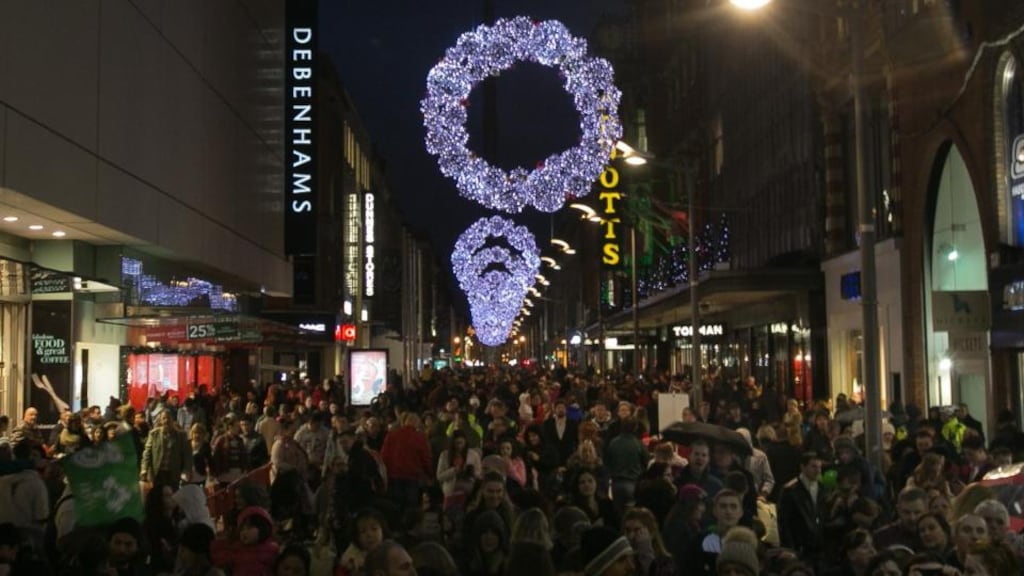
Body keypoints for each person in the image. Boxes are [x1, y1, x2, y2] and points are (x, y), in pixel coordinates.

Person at [778, 452, 827, 568]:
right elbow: (784, 522)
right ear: (802, 467)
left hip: (818, 545)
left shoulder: (822, 487)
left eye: (820, 467)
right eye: (813, 466)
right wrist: (790, 547)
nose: (818, 470)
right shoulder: (790, 490)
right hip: (799, 544)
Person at [141, 410, 193, 487]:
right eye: (164, 418)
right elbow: (147, 453)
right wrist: (144, 469)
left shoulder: (181, 436)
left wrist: (186, 471)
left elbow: (187, 456)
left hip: (173, 473)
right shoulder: (154, 434)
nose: (166, 420)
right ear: (161, 421)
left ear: (173, 419)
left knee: (172, 496)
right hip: (157, 473)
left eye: (168, 418)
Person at [872, 486, 927, 551]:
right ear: (898, 510)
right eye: (907, 512)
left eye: (917, 512)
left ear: (927, 510)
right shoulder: (882, 537)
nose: (912, 518)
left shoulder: (934, 536)